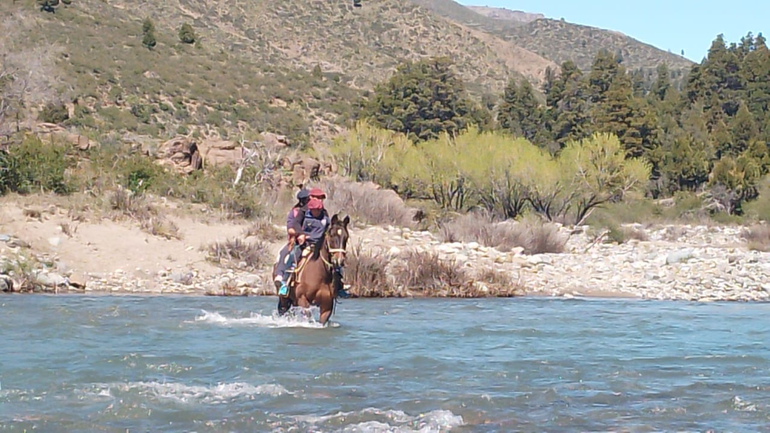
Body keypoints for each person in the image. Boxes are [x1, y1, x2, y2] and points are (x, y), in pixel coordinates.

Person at [274, 188, 310, 295]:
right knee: (284, 253)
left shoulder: (315, 211)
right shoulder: (294, 212)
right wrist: (300, 234)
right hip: (297, 241)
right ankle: (280, 277)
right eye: (308, 199)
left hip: (312, 240)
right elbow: (290, 228)